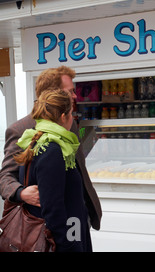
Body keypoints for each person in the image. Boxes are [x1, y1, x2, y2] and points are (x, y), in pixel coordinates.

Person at [0, 66, 102, 231]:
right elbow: (4, 177)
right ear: (53, 93)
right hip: (46, 226)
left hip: (79, 216)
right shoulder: (20, 130)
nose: (75, 96)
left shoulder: (69, 123)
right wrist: (21, 193)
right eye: (70, 91)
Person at [14, 89, 91, 251]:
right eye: (71, 114)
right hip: (66, 236)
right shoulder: (52, 149)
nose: (73, 119)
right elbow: (52, 207)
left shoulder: (37, 141)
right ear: (63, 117)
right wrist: (69, 245)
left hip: (70, 230)